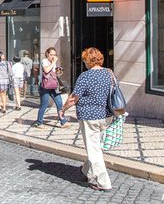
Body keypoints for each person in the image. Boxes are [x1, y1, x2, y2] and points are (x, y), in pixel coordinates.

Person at [59, 47, 113, 191]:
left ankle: (103, 182)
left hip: (89, 117)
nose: (84, 63)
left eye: (84, 60)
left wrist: (63, 109)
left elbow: (73, 98)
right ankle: (86, 171)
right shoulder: (109, 74)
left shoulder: (85, 76)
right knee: (95, 145)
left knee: (93, 149)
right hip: (106, 115)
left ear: (88, 61)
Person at [32, 47, 68, 129]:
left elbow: (53, 73)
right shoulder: (44, 61)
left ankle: (63, 122)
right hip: (45, 86)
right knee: (44, 105)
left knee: (59, 104)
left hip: (54, 86)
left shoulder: (53, 62)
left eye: (54, 55)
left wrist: (58, 71)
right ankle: (39, 122)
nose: (53, 56)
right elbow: (46, 70)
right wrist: (53, 62)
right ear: (47, 54)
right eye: (51, 54)